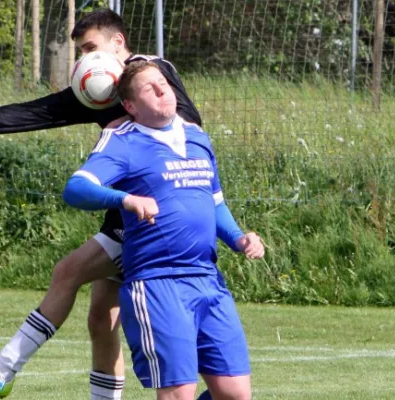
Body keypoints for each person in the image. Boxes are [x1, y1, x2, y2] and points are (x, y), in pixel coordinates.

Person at [0, 9, 264, 399]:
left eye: (91, 47)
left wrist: (128, 125)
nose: (86, 58)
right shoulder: (97, 88)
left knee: (68, 274)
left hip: (156, 214)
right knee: (101, 317)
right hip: (131, 206)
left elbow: (184, 121)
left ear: (119, 43)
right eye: (81, 51)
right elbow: (39, 112)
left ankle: (1, 370)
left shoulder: (153, 73)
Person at [63, 60, 262, 400]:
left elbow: (214, 204)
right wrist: (125, 199)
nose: (161, 89)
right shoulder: (122, 141)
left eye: (163, 82)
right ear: (130, 106)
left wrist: (238, 238)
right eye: (148, 88)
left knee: (235, 394)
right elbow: (76, 189)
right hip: (157, 283)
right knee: (178, 395)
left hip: (207, 279)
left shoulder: (198, 137)